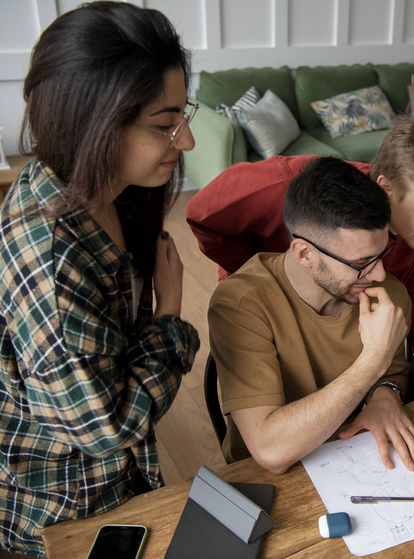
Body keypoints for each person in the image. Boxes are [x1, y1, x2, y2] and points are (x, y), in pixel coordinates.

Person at [0, 3, 200, 556]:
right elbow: (108, 431)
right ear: (92, 120)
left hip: (123, 483)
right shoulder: (53, 265)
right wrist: (171, 312)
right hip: (69, 505)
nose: (184, 142)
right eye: (165, 125)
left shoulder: (113, 189)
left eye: (184, 115)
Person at [187, 116, 414, 441]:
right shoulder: (295, 185)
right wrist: (265, 276)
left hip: (344, 344)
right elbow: (204, 215)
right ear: (386, 189)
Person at [208, 157, 414, 474]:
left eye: (384, 252)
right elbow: (270, 450)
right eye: (362, 262)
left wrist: (386, 397)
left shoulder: (389, 294)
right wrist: (373, 359)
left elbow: (393, 374)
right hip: (270, 480)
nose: (379, 274)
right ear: (305, 254)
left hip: (359, 459)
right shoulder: (240, 304)